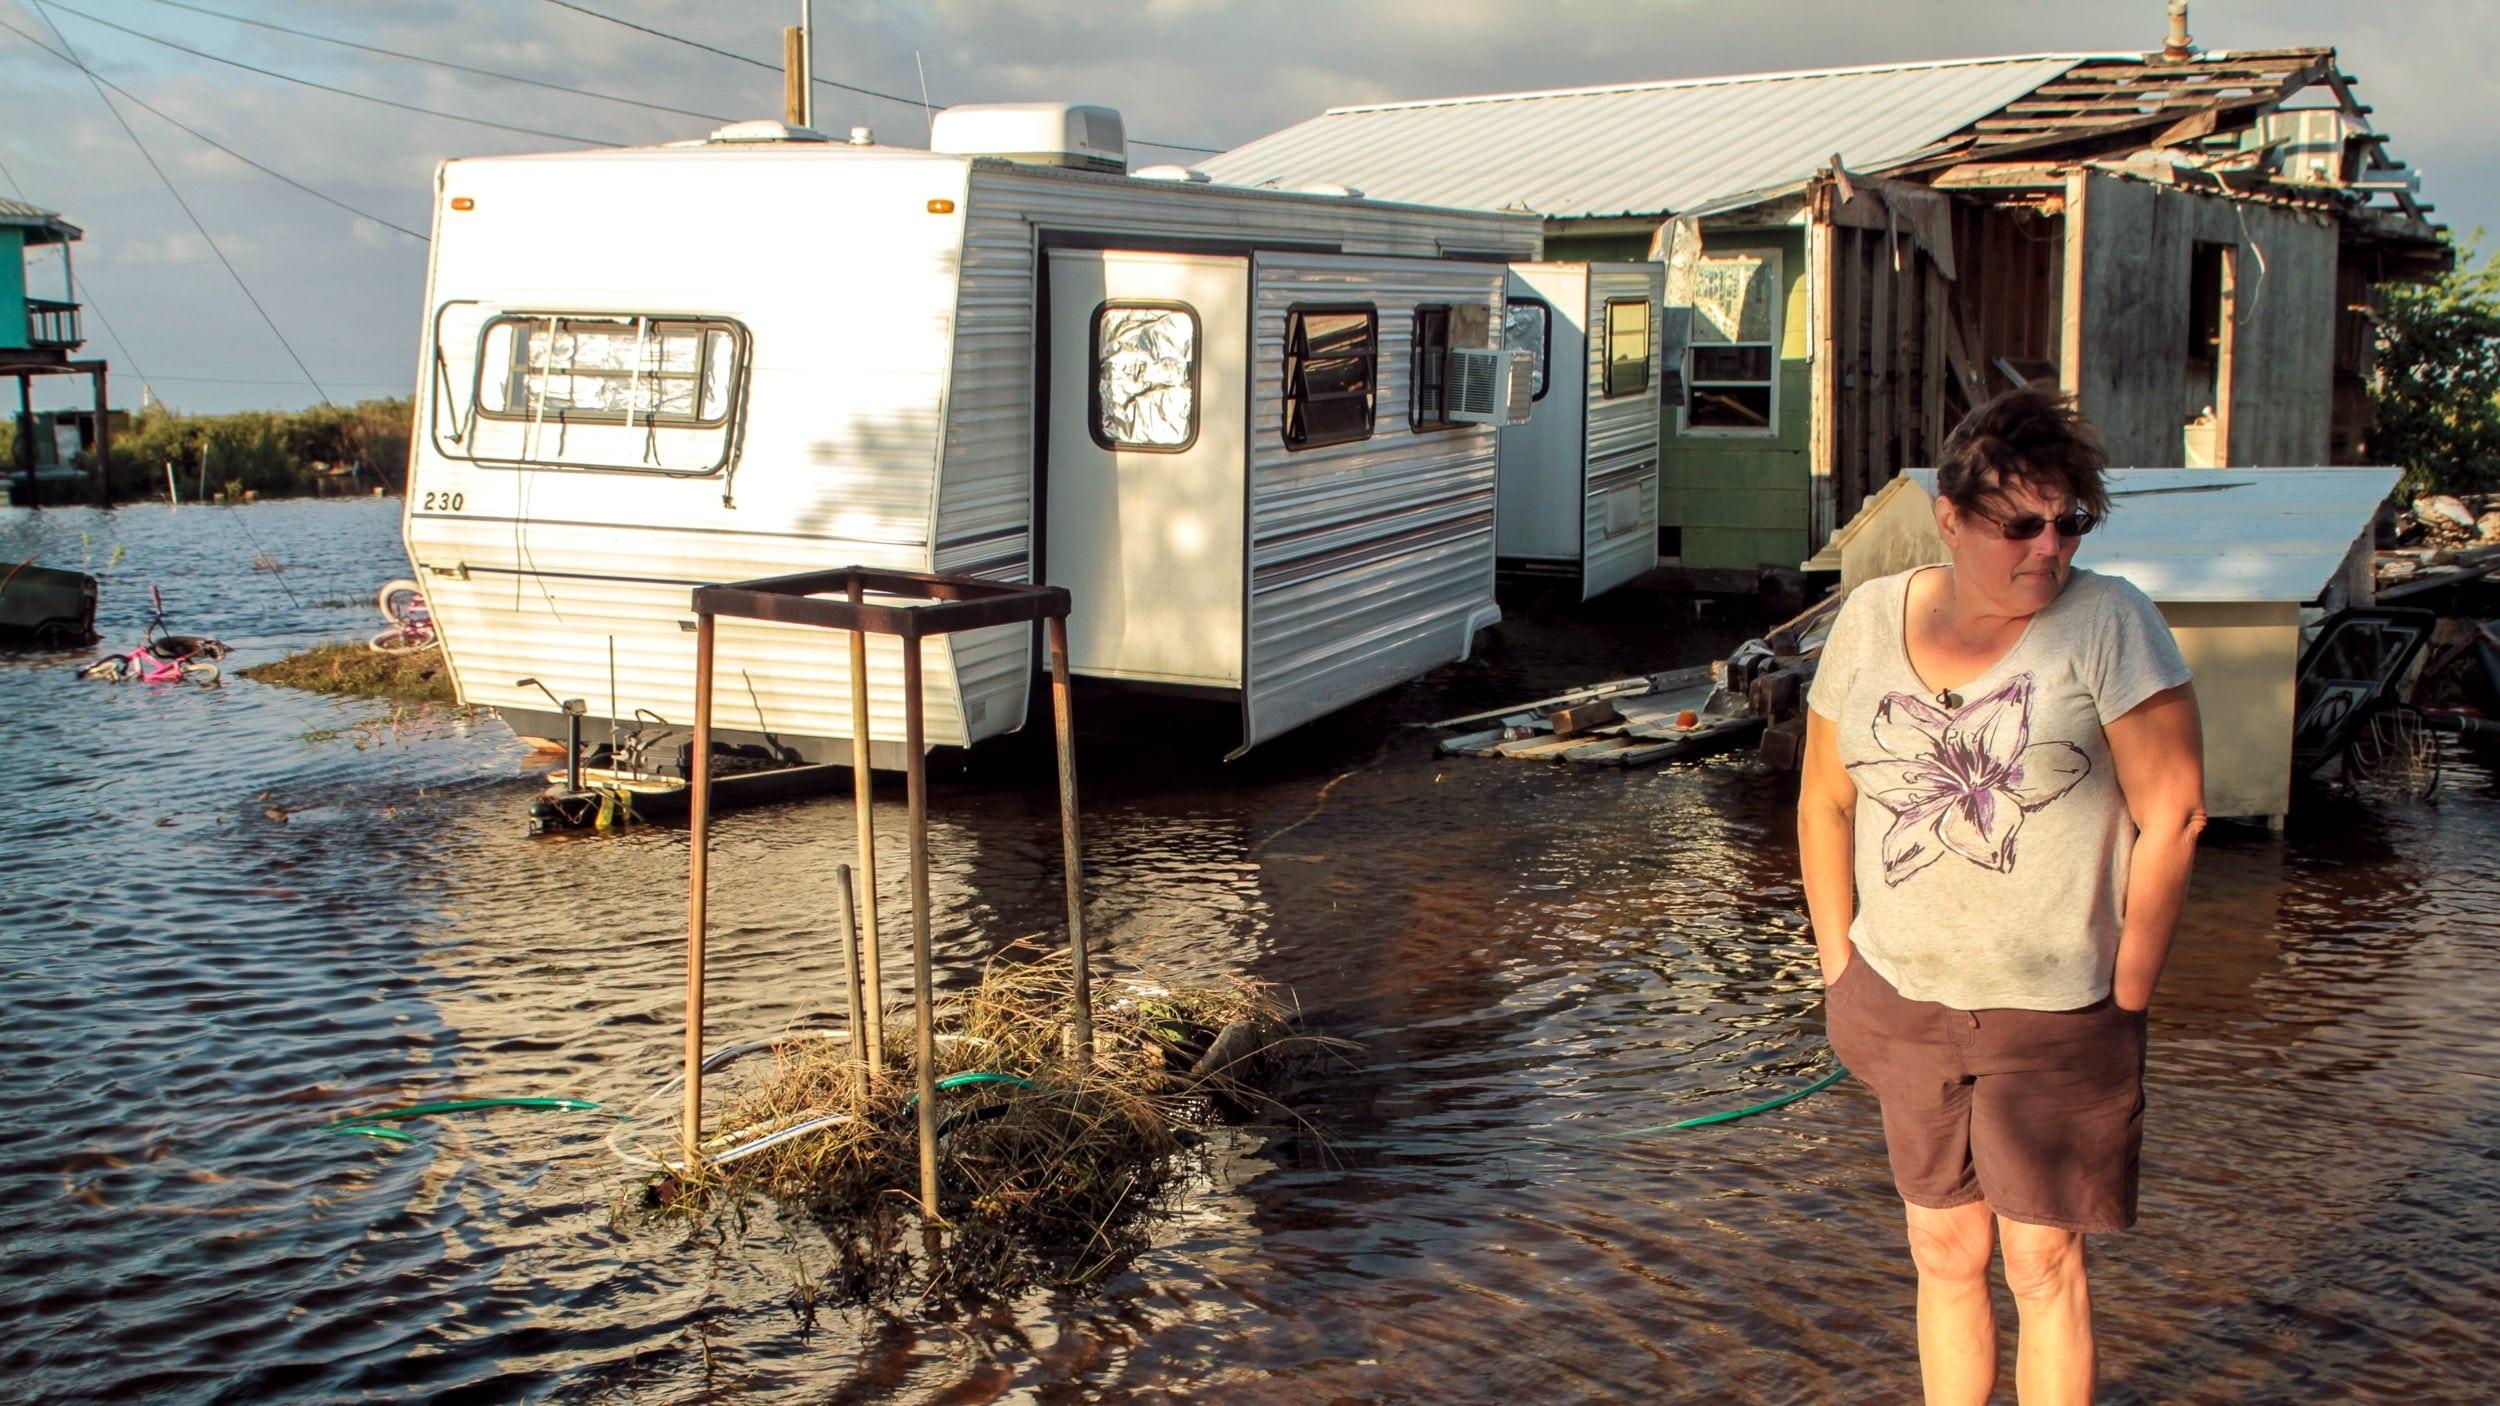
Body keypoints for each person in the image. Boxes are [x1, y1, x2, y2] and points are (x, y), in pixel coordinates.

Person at [1798, 388, 2207, 1405]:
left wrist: (2127, 989)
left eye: (2070, 522)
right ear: (1948, 516)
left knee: (2042, 1262)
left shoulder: (2109, 624)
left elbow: (2178, 813)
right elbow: (1821, 799)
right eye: (2020, 523)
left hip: (2056, 1011)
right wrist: (1836, 963)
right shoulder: (1866, 619)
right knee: (1941, 1245)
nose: (2049, 547)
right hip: (1904, 995)